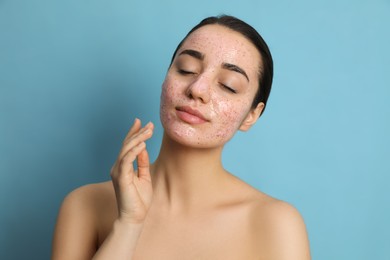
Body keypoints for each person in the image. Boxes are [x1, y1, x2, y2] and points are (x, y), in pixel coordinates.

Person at [52, 15, 310, 259]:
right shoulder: (85, 205)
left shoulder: (275, 222)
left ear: (251, 116)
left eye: (228, 85)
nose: (197, 89)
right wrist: (129, 224)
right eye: (186, 69)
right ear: (166, 79)